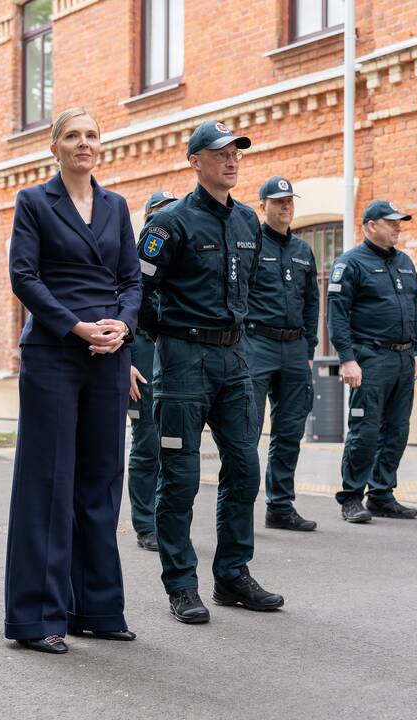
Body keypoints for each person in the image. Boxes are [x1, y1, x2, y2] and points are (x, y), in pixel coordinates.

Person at [5, 107, 141, 655]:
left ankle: (98, 608)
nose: (83, 143)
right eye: (72, 136)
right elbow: (24, 276)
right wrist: (74, 325)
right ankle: (37, 617)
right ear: (54, 146)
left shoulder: (117, 205)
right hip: (54, 353)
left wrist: (123, 326)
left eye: (91, 135)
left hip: (108, 353)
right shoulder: (35, 202)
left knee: (102, 482)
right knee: (48, 484)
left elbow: (132, 279)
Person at [137, 120, 284, 625]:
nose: (232, 160)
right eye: (220, 152)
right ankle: (181, 585)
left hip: (234, 359)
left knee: (244, 468)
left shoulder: (247, 222)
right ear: (195, 161)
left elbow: (251, 290)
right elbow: (140, 292)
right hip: (183, 361)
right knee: (179, 478)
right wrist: (169, 337)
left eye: (236, 152)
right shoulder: (170, 223)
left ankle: (232, 575)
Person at [327, 201, 417, 524]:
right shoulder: (351, 264)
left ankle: (382, 493)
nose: (398, 227)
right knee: (365, 430)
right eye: (391, 222)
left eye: (399, 222)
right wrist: (347, 359)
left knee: (396, 430)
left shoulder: (405, 263)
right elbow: (337, 317)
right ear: (371, 226)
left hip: (402, 358)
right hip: (369, 358)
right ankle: (352, 496)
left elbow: (416, 308)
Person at [245, 177, 319, 532]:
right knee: (248, 428)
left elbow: (312, 301)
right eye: (278, 202)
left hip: (294, 347)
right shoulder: (250, 243)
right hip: (257, 343)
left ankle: (280, 506)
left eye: (289, 201)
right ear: (263, 207)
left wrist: (309, 349)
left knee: (290, 430)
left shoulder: (303, 250)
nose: (285, 207)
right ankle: (241, 506)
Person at [128, 190, 177, 552]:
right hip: (142, 351)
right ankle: (145, 524)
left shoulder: (181, 260)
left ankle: (166, 521)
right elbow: (124, 312)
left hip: (174, 353)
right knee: (146, 440)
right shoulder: (133, 263)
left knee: (172, 443)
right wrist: (127, 362)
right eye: (160, 212)